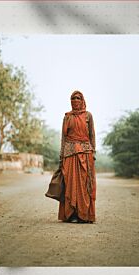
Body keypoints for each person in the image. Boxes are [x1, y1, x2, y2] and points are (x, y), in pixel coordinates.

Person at [58, 90, 96, 224]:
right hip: (69, 153)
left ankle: (83, 215)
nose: (75, 100)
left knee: (85, 184)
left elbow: (92, 135)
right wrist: (61, 155)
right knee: (70, 184)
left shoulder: (88, 116)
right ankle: (71, 215)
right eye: (73, 98)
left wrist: (93, 152)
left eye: (78, 98)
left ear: (83, 100)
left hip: (85, 153)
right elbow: (63, 138)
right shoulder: (67, 117)